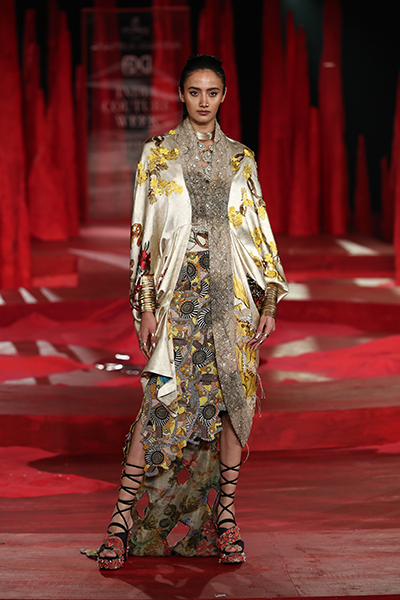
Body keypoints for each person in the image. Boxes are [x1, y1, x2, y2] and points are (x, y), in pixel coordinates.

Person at [97, 54, 288, 569]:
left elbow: (259, 230)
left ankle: (226, 521)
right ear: (181, 95)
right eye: (195, 91)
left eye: (213, 92)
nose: (204, 101)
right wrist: (145, 306)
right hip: (178, 299)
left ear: (224, 96)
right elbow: (142, 237)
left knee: (232, 404)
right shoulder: (157, 154)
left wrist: (269, 299)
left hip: (232, 300)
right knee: (157, 402)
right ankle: (119, 525)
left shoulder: (241, 158)